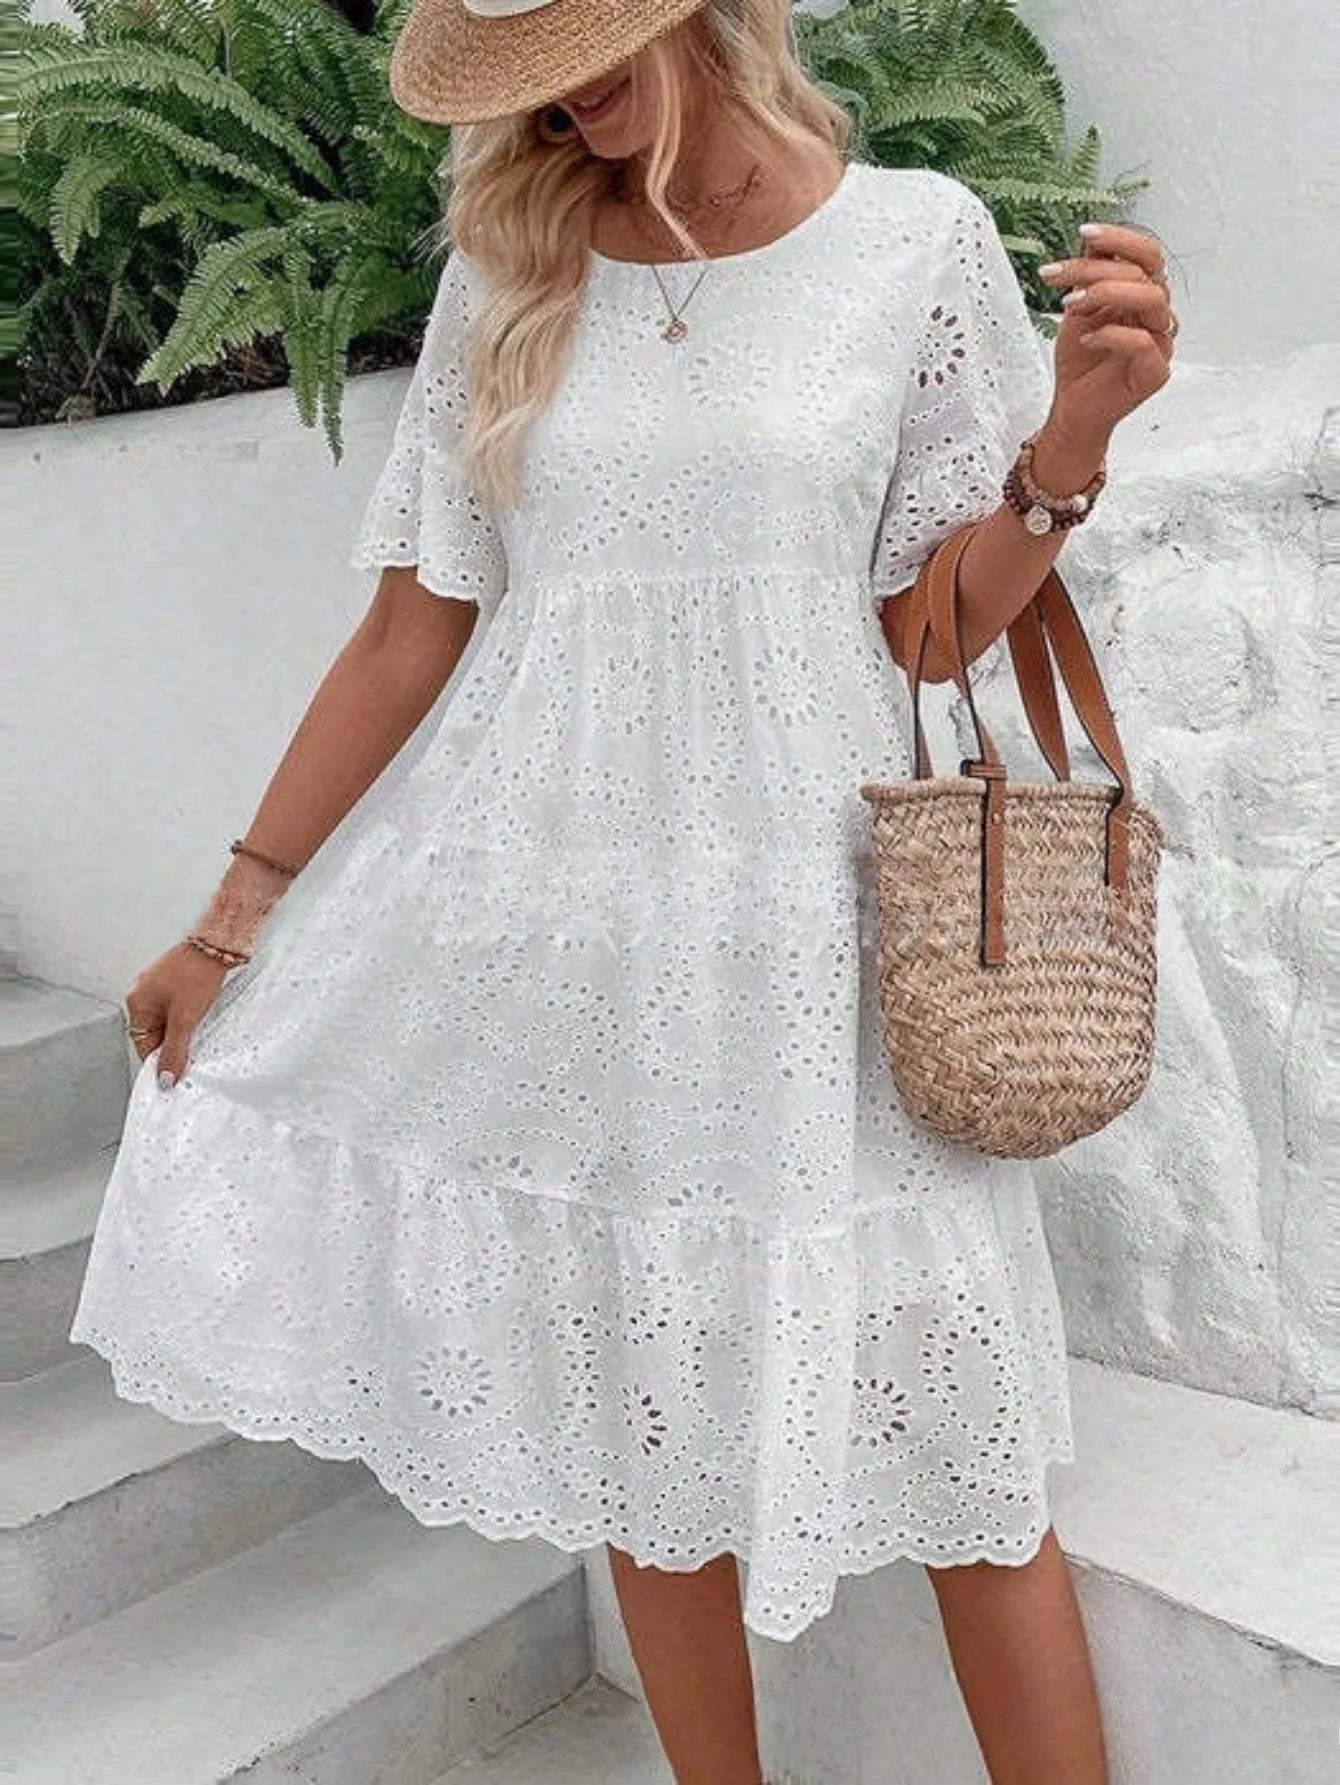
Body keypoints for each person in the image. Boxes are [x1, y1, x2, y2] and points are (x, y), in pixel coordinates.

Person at [73, 2, 1178, 1780]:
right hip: (577, 928)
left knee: (968, 1454)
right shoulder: (508, 271)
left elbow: (926, 629)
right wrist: (233, 913)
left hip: (827, 927)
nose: (560, 89)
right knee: (650, 1446)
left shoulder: (916, 241)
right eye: (521, 59)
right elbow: (412, 623)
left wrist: (1070, 451)